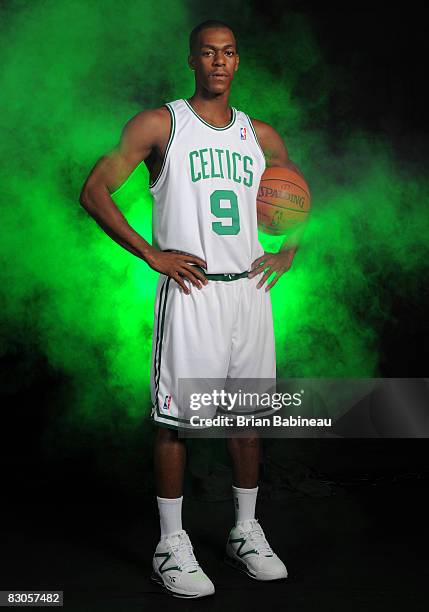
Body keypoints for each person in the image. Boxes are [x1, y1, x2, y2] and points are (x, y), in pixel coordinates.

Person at [79, 19, 303, 599]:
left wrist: (289, 252)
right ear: (191, 60)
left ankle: (245, 532)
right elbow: (94, 190)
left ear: (238, 61)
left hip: (250, 294)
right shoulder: (162, 124)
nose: (219, 62)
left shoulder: (263, 136)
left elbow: (297, 201)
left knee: (246, 420)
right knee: (175, 423)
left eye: (229, 53)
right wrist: (151, 253)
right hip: (194, 290)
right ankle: (170, 545)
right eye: (208, 53)